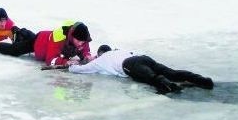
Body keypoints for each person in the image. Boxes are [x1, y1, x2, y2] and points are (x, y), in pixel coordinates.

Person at [69, 45, 214, 94]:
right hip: (143, 58)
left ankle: (171, 87)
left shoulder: (101, 60)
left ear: (100, 53)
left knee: (151, 78)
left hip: (129, 64)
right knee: (172, 72)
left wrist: (72, 65)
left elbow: (81, 70)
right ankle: (202, 80)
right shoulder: (119, 50)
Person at [0, 21, 92, 66]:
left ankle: (22, 32)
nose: (81, 44)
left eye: (83, 41)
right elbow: (50, 59)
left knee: (27, 38)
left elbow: (84, 49)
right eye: (78, 41)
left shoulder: (83, 38)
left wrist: (86, 55)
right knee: (13, 50)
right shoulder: (59, 38)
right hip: (39, 43)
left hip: (45, 39)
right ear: (72, 36)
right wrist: (66, 61)